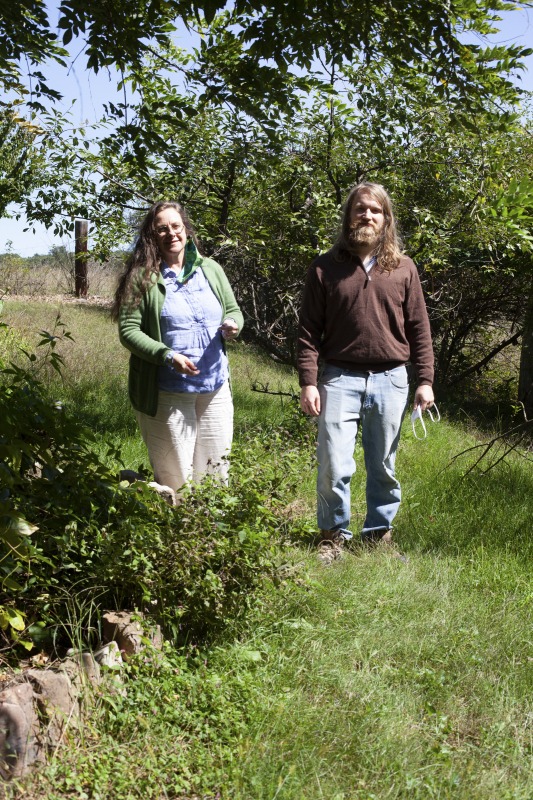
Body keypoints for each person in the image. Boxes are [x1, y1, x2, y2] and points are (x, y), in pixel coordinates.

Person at [297, 182, 434, 559]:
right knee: (333, 464)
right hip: (338, 378)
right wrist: (309, 381)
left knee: (383, 466)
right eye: (360, 209)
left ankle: (378, 535)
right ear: (349, 216)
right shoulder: (326, 267)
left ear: (386, 219)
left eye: (375, 210)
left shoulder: (404, 268)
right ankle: (332, 536)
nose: (367, 216)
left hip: (392, 379)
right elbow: (308, 330)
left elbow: (419, 327)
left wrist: (425, 381)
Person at [112, 201, 243, 490]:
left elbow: (233, 310)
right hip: (166, 390)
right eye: (162, 229)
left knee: (216, 475)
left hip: (215, 388)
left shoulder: (211, 269)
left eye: (176, 226)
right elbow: (128, 331)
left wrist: (233, 324)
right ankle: (169, 528)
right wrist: (167, 356)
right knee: (177, 480)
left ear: (186, 230)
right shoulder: (142, 277)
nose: (171, 233)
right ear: (152, 235)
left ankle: (210, 532)